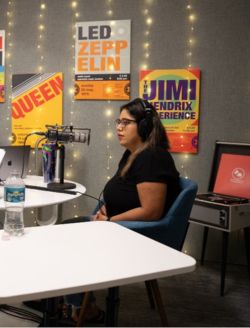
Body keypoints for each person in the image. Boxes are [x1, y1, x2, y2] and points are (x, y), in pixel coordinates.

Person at [61, 97, 181, 323]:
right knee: (62, 230)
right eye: (118, 121)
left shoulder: (153, 157)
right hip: (115, 225)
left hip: (138, 235)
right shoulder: (132, 153)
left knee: (67, 240)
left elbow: (151, 211)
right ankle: (66, 299)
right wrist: (106, 209)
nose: (118, 127)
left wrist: (110, 220)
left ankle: (86, 311)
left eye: (126, 122)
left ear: (144, 126)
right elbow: (122, 190)